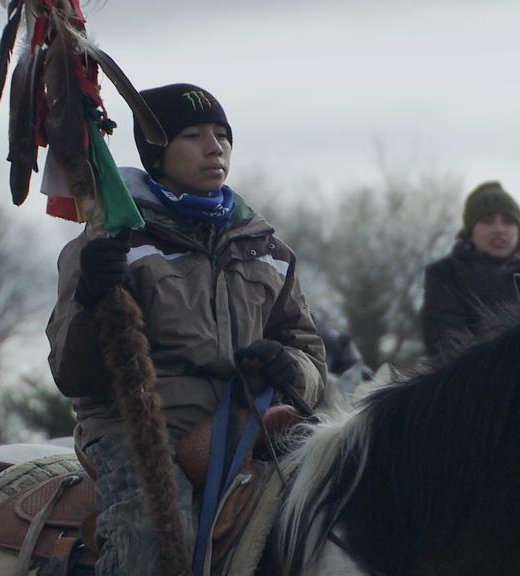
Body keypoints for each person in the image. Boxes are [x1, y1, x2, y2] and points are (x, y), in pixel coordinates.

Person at [46, 83, 327, 575]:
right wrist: (91, 300)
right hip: (138, 429)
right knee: (155, 542)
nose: (214, 147)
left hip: (248, 422)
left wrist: (292, 369)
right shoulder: (112, 244)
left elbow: (311, 356)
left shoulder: (268, 251)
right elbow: (73, 374)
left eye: (222, 135)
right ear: (157, 153)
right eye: (193, 135)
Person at [420, 180, 520, 358]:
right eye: (487, 221)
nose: (499, 229)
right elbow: (444, 339)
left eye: (508, 222)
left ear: (518, 229)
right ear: (470, 231)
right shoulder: (445, 274)